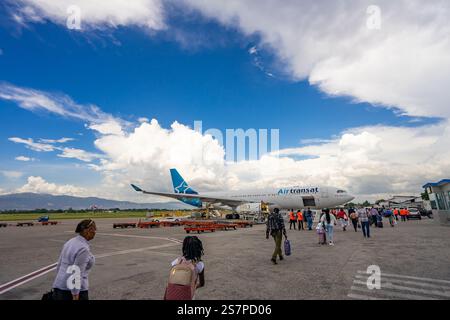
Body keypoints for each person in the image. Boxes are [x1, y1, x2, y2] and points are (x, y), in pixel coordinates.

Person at [52, 219, 96, 300]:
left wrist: (59, 282)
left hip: (59, 287)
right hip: (72, 292)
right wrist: (75, 294)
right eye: (94, 229)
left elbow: (59, 265)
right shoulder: (83, 248)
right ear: (88, 230)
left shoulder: (70, 242)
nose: (95, 232)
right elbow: (77, 273)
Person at [164, 236, 205, 300]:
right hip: (188, 295)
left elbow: (170, 281)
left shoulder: (176, 262)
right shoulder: (199, 265)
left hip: (172, 294)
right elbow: (202, 284)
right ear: (198, 249)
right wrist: (193, 287)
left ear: (184, 247)